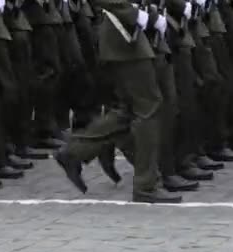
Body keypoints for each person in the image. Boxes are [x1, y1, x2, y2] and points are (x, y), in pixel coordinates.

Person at [54, 0, 182, 203]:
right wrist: (134, 14)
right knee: (148, 109)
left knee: (129, 111)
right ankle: (145, 186)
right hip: (122, 34)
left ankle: (74, 152)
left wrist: (150, 14)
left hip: (130, 35)